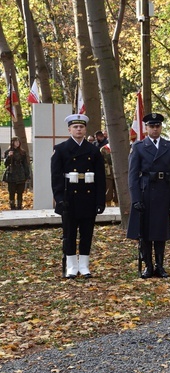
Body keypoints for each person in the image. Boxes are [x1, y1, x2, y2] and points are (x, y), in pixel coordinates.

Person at [50, 114, 106, 278]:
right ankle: (71, 266)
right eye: (75, 127)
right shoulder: (60, 149)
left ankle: (84, 265)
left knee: (87, 233)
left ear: (85, 129)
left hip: (88, 197)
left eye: (81, 127)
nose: (79, 129)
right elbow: (56, 177)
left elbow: (100, 178)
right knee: (69, 234)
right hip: (69, 198)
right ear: (69, 129)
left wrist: (100, 200)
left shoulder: (94, 150)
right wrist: (59, 199)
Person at [127, 113, 170, 279]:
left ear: (161, 127)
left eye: (157, 126)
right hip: (145, 192)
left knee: (160, 232)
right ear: (146, 128)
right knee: (144, 233)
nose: (155, 129)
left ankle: (160, 265)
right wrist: (135, 198)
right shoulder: (138, 147)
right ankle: (148, 266)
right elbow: (133, 175)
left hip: (163, 193)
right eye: (152, 126)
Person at [3, 136, 31, 209]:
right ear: (12, 143)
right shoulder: (8, 152)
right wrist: (9, 156)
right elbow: (5, 164)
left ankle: (19, 206)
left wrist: (27, 175)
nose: (17, 143)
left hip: (20, 173)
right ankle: (12, 205)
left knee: (20, 191)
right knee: (11, 191)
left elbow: (25, 164)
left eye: (18, 142)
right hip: (11, 173)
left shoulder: (22, 152)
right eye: (15, 142)